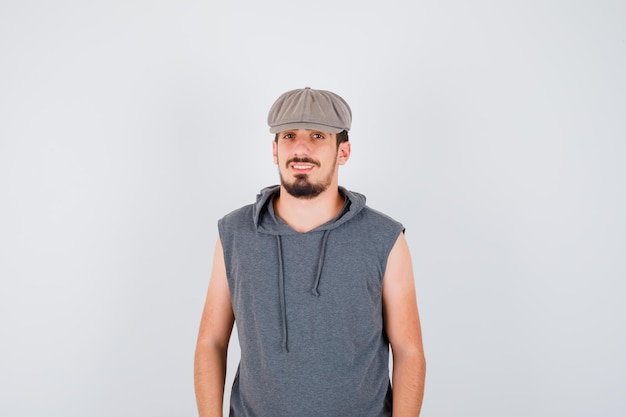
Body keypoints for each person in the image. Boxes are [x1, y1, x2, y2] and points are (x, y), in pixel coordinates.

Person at [194, 87, 426, 417]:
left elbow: (409, 351)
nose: (301, 148)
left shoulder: (385, 238)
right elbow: (211, 342)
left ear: (343, 151)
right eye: (289, 136)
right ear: (274, 150)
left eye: (317, 135)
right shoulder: (234, 233)